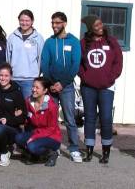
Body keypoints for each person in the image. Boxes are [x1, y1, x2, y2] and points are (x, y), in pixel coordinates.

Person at [78, 15, 124, 164]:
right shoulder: (84, 43)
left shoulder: (112, 42)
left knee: (106, 118)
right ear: (90, 28)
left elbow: (118, 62)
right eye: (96, 25)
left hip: (107, 87)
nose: (99, 27)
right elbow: (78, 64)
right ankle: (89, 150)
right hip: (88, 87)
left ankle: (106, 151)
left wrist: (110, 78)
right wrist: (85, 77)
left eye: (100, 23)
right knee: (89, 118)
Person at [39, 12, 83, 163]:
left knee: (70, 119)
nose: (54, 25)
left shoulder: (74, 42)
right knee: (51, 119)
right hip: (51, 87)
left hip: (67, 87)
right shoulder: (49, 42)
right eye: (52, 23)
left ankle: (74, 148)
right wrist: (51, 84)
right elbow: (45, 64)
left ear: (64, 23)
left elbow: (75, 65)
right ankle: (54, 147)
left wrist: (62, 83)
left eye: (57, 23)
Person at [15, 77, 61, 167]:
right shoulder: (28, 101)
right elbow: (25, 117)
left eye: (37, 87)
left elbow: (51, 129)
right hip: (36, 133)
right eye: (33, 87)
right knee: (18, 138)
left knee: (31, 146)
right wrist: (18, 114)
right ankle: (35, 155)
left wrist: (33, 137)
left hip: (51, 137)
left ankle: (51, 153)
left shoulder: (52, 106)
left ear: (45, 91)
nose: (33, 89)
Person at [6, 9, 44, 98]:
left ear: (32, 21)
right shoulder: (12, 37)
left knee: (28, 107)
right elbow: (8, 57)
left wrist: (36, 75)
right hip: (14, 79)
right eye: (22, 20)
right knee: (13, 106)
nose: (24, 23)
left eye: (27, 21)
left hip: (30, 80)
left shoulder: (38, 38)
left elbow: (40, 59)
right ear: (18, 20)